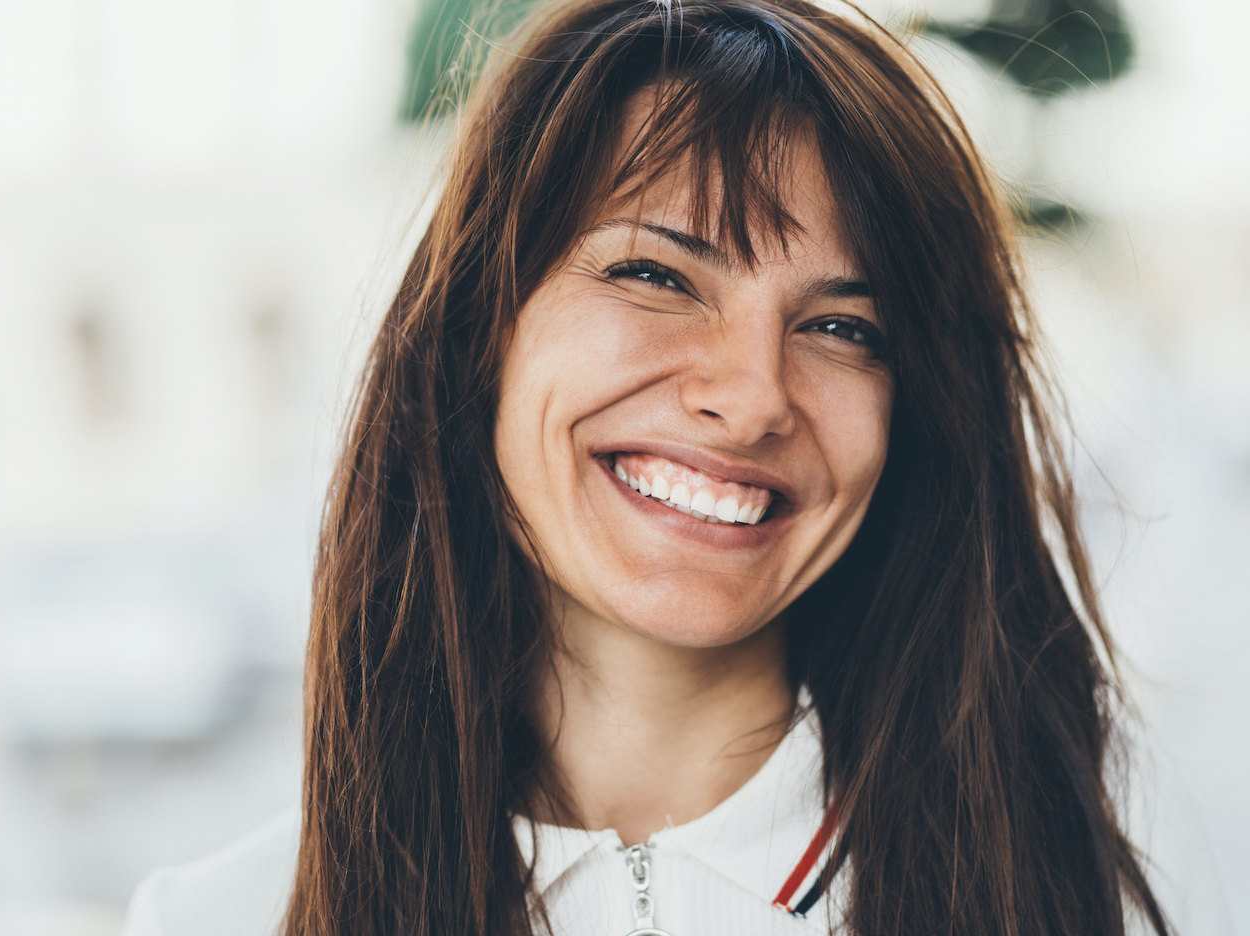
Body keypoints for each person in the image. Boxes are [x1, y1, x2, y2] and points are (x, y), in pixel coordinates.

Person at [122, 1, 1233, 934]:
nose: (752, 397)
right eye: (657, 275)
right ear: (480, 330)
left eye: (846, 329)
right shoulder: (217, 916)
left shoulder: (1121, 890)